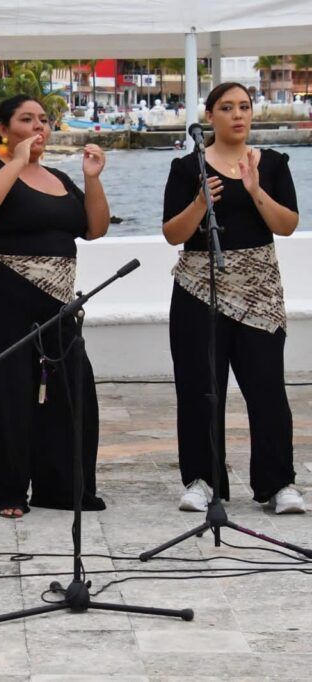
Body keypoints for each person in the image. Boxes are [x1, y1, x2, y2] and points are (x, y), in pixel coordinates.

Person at [0, 94, 111, 518]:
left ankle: (62, 486)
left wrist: (92, 178)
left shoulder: (60, 177)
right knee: (3, 393)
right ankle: (1, 490)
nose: (38, 126)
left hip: (56, 305)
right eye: (26, 120)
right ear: (4, 129)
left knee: (69, 389)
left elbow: (94, 228)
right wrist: (15, 161)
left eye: (43, 119)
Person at [161, 81, 305, 515]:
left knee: (267, 388)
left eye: (244, 107)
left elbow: (287, 225)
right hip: (198, 288)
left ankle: (279, 483)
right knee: (201, 389)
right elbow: (173, 234)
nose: (238, 115)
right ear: (210, 116)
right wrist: (201, 204)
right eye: (227, 107)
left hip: (258, 289)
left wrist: (255, 189)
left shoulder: (275, 164)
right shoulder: (188, 169)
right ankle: (202, 480)